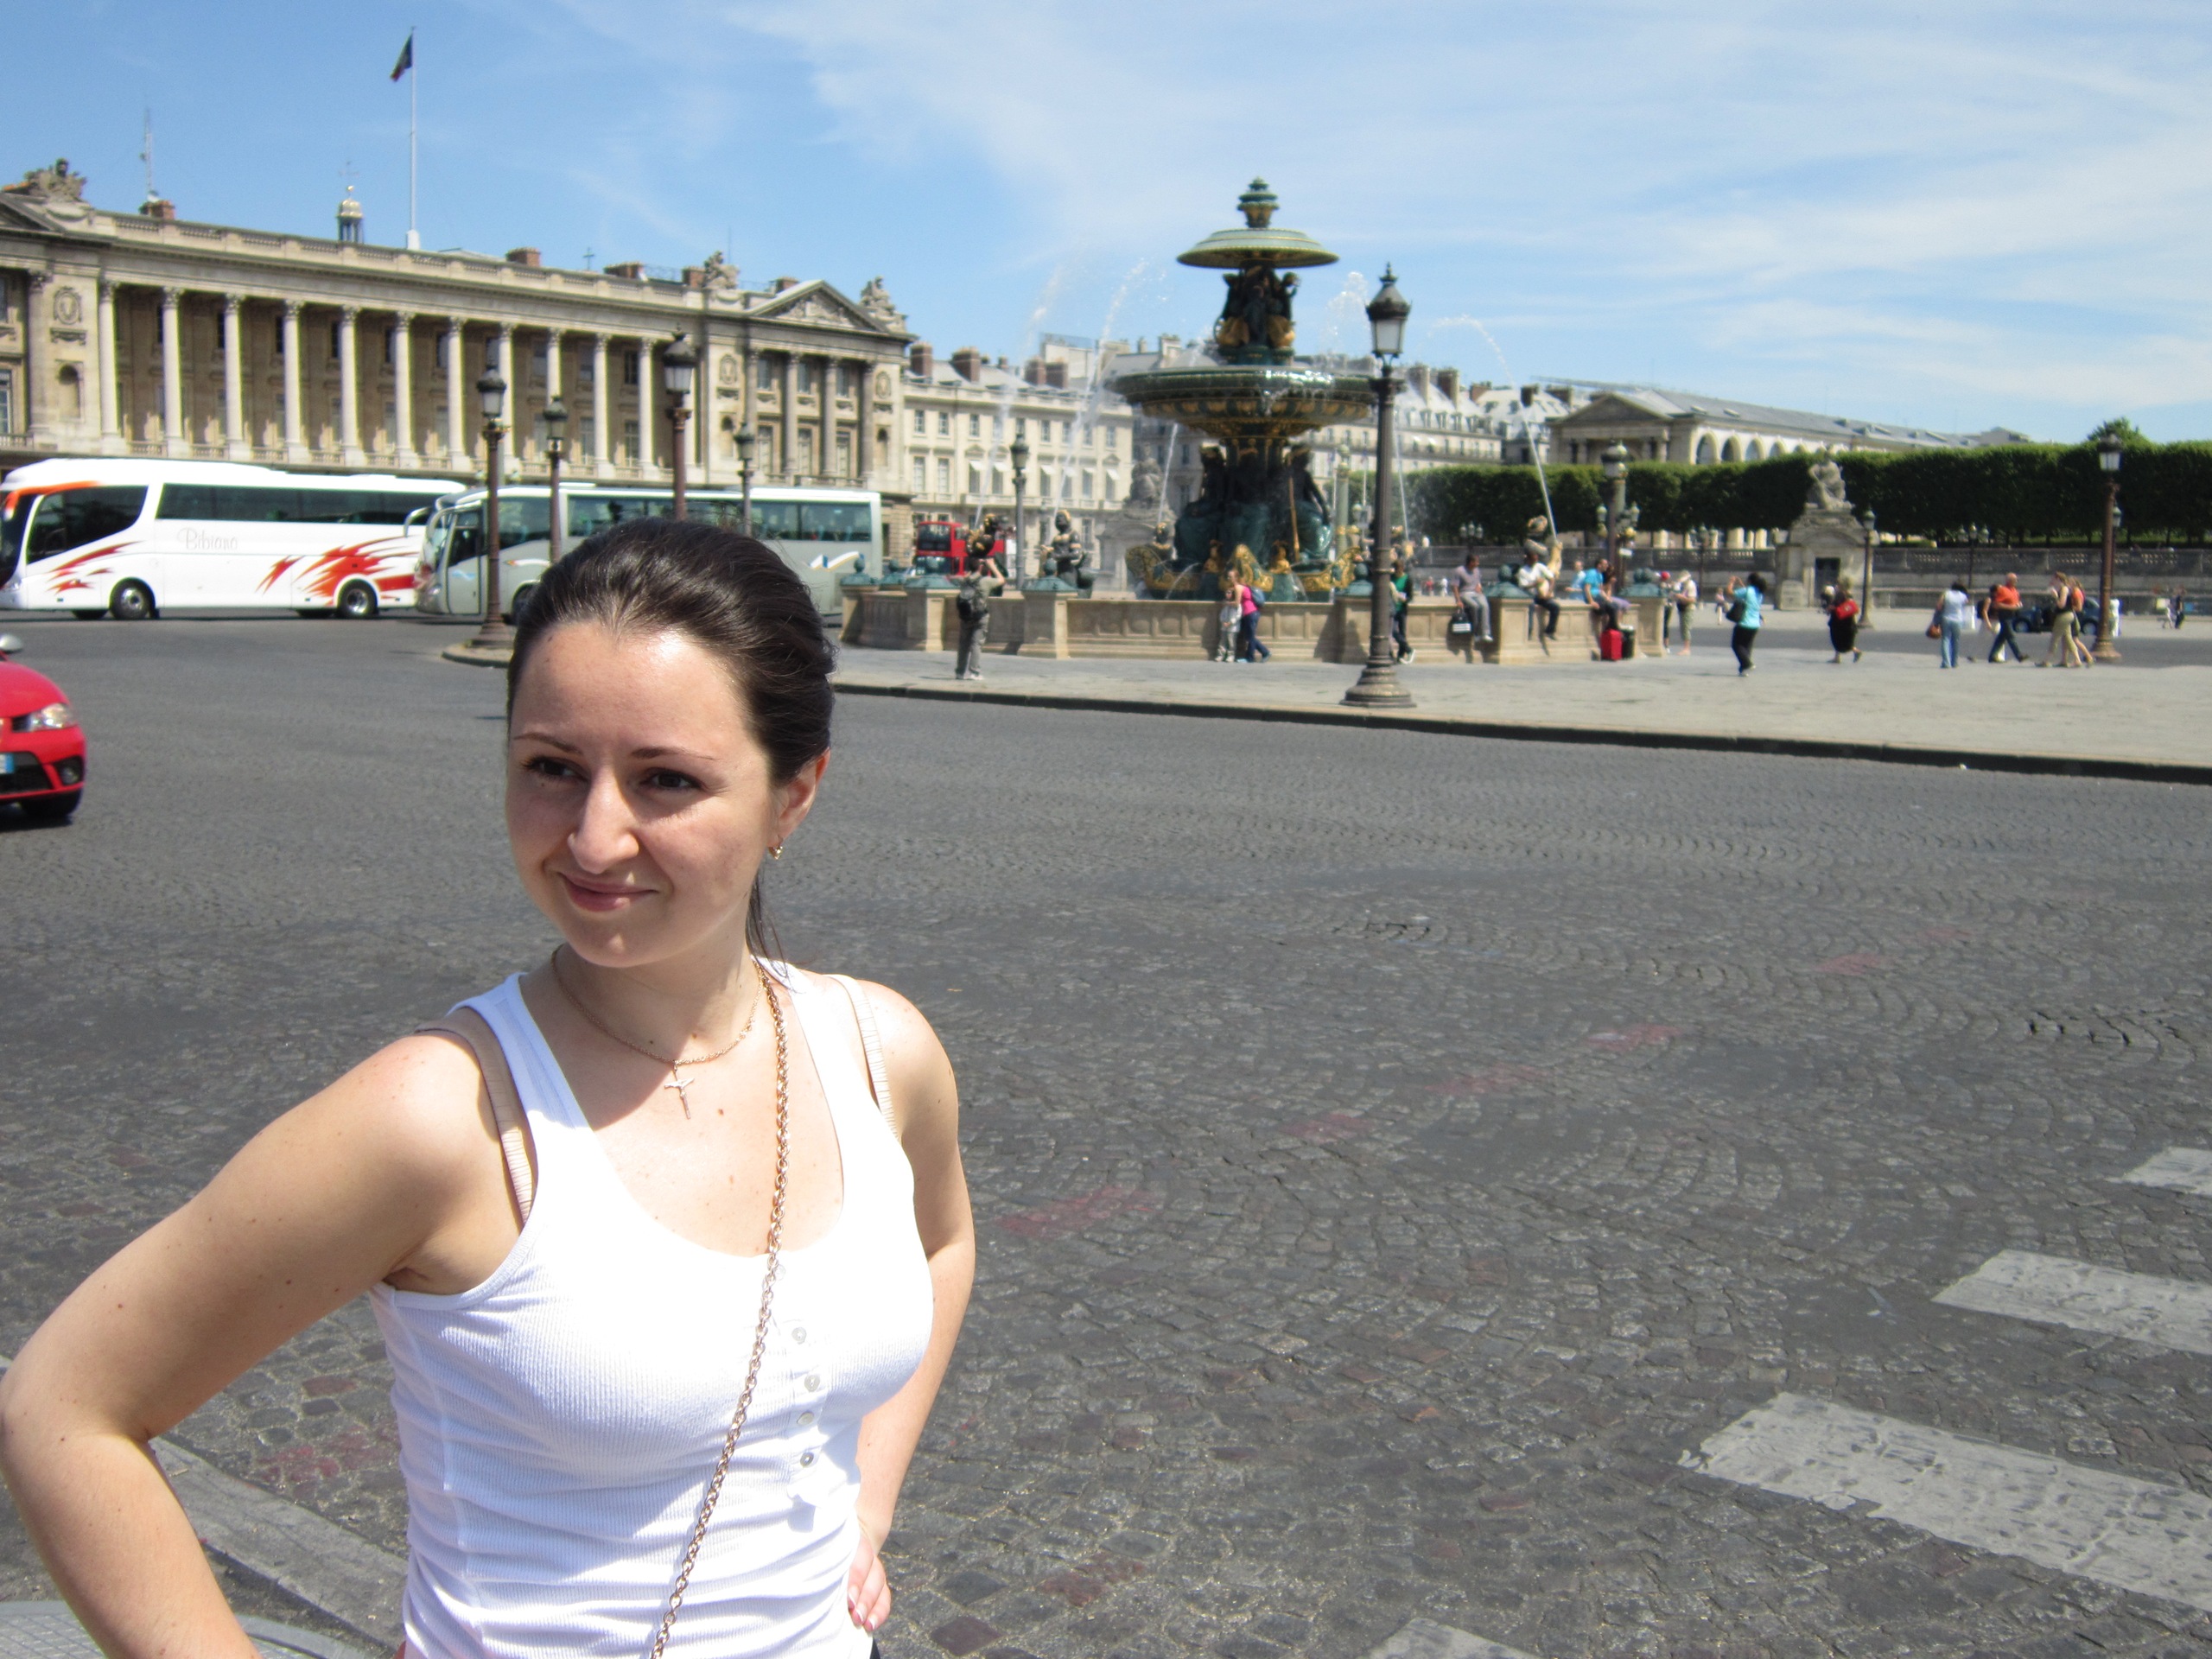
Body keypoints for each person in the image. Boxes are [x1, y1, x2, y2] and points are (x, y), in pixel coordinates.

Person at [0, 524, 976, 1659]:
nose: (595, 838)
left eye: (665, 780)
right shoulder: (439, 1118)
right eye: (551, 767)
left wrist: (868, 1503)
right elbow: (65, 1408)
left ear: (793, 796)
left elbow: (943, 1246)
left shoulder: (879, 1051)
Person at [954, 552, 1001, 681]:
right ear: (981, 567)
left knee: (963, 645)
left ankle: (960, 672)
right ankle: (974, 672)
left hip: (965, 615)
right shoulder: (985, 581)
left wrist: (974, 566)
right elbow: (1002, 580)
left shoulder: (965, 580)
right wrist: (992, 566)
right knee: (976, 644)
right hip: (980, 616)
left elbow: (968, 576)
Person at [1446, 550, 1491, 647]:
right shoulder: (1459, 571)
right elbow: (1455, 587)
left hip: (1476, 593)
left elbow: (1478, 583)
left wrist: (1479, 588)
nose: (1478, 564)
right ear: (1471, 562)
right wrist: (1458, 600)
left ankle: (1485, 633)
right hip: (1464, 593)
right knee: (1475, 606)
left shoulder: (1477, 571)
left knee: (1485, 606)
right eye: (1476, 562)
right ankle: (1476, 633)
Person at [1515, 548, 1560, 637]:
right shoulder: (1523, 571)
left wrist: (1549, 592)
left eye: (1536, 560)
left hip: (1542, 595)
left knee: (1555, 607)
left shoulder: (1540, 566)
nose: (1535, 562)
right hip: (1530, 595)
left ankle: (1550, 630)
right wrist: (1535, 584)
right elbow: (1523, 586)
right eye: (1533, 560)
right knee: (1531, 606)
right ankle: (1529, 630)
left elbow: (1551, 579)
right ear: (1528, 560)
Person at [1936, 577, 1977, 668]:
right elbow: (1967, 603)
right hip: (1958, 620)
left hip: (1946, 618)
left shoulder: (1946, 594)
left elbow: (1939, 606)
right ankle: (1954, 662)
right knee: (1956, 641)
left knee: (1945, 640)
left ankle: (1946, 662)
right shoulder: (1963, 596)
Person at [1726, 574, 1764, 674]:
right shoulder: (1759, 592)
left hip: (1745, 623)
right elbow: (1747, 593)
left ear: (1750, 581)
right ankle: (1744, 669)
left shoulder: (1747, 591)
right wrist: (1741, 584)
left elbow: (1730, 593)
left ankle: (1747, 664)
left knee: (1737, 645)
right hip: (1755, 624)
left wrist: (1731, 582)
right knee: (1747, 647)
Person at [1986, 572, 2025, 663]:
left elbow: (2015, 602)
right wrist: (2012, 607)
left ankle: (1992, 656)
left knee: (2002, 637)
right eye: (2014, 580)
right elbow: (1996, 604)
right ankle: (2019, 655)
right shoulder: (2003, 590)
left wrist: (2018, 605)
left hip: (2012, 615)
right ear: (2008, 580)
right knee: (2010, 636)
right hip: (2004, 615)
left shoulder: (2014, 590)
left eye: (2016, 579)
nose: (2016, 581)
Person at [1826, 579, 1862, 663]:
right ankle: (1838, 657)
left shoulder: (1841, 594)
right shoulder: (1848, 594)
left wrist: (1831, 608)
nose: (1836, 586)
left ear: (1842, 586)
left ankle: (1854, 651)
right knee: (1841, 639)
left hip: (1840, 621)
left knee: (1838, 638)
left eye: (1838, 584)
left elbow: (1837, 605)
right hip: (1847, 620)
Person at [1236, 575, 1270, 663]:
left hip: (1250, 613)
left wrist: (1227, 603)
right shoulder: (1247, 588)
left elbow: (1237, 603)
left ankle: (1251, 658)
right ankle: (1264, 652)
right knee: (1249, 636)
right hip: (1252, 613)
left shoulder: (1240, 587)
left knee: (1250, 637)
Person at [1390, 558, 1414, 662]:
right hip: (1392, 608)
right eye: (1396, 569)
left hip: (1402, 608)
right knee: (1393, 630)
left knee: (1402, 632)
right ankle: (1408, 649)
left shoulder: (1408, 579)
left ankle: (1401, 655)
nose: (1398, 571)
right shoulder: (1391, 578)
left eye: (1399, 569)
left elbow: (1411, 596)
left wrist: (1406, 600)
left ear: (1403, 568)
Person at [1670, 569, 1698, 654]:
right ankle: (1686, 648)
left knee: (1686, 628)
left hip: (1688, 608)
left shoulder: (1691, 585)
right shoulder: (1683, 585)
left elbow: (1692, 600)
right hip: (1682, 607)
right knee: (1683, 628)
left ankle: (1687, 648)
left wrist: (1680, 597)